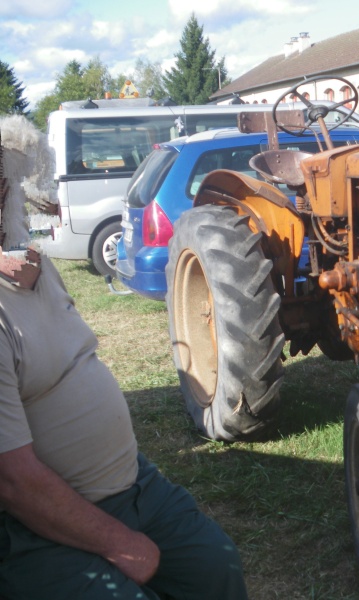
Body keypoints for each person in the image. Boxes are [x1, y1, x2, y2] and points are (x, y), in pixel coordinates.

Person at [0, 116, 249, 599]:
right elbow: (14, 483)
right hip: (37, 530)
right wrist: (122, 544)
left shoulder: (37, 267)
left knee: (218, 570)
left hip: (136, 486)